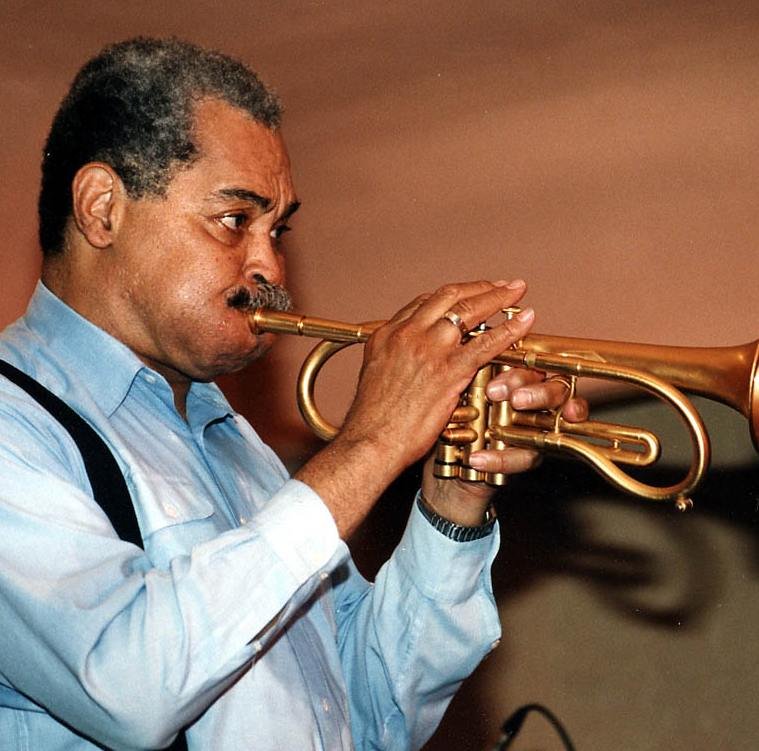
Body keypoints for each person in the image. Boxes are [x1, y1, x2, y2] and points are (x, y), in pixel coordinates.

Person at [0, 38, 587, 750]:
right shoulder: (13, 423)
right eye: (234, 220)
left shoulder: (233, 440)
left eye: (276, 229)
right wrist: (372, 443)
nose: (270, 265)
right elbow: (131, 686)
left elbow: (373, 714)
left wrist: (450, 505)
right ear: (101, 209)